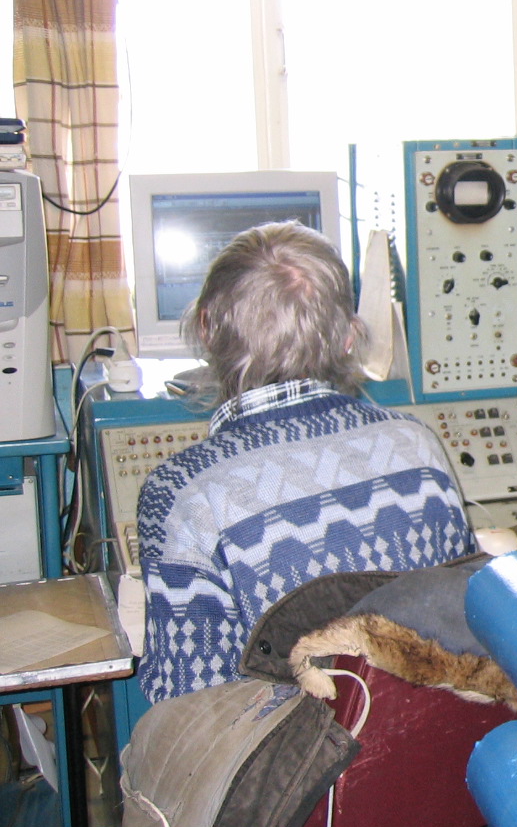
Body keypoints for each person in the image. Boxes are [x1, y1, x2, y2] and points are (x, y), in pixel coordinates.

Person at [136, 221, 475, 703]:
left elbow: (186, 700)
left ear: (207, 329)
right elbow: (466, 618)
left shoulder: (182, 493)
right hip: (424, 735)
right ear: (349, 337)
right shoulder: (417, 445)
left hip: (292, 749)